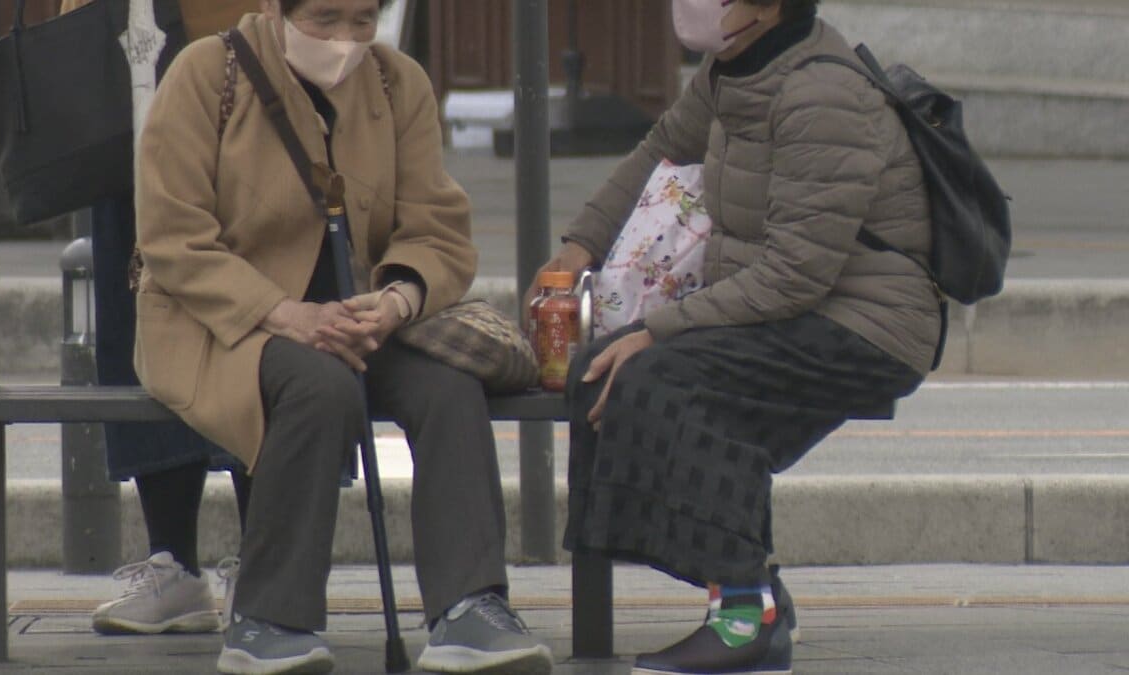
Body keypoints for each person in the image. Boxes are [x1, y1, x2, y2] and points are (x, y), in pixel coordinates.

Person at [133, 1, 554, 673]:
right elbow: (172, 237)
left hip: (357, 314)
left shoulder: (398, 83)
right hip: (221, 319)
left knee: (447, 383)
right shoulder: (205, 73)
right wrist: (283, 312)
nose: (345, 41)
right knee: (319, 385)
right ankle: (270, 617)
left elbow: (434, 224)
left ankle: (470, 605)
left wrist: (398, 298)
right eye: (325, 19)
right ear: (275, 8)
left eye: (363, 20)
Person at [533, 1, 940, 673]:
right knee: (600, 370)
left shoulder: (822, 94)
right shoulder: (730, 70)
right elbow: (660, 149)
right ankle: (758, 590)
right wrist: (577, 249)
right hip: (791, 305)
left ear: (770, 7)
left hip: (865, 325)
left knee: (671, 380)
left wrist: (655, 330)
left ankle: (747, 615)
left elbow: (795, 275)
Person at [59, 0, 260, 637]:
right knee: (141, 313)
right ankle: (172, 561)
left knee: (260, 307)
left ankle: (267, 563)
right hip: (127, 58)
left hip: (251, 62)